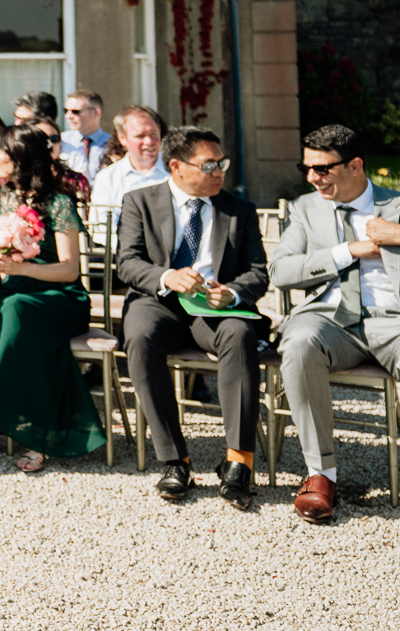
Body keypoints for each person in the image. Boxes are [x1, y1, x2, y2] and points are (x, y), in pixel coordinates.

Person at [116, 126, 269, 507]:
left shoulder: (240, 210)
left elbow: (257, 272)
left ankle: (238, 461)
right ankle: (174, 461)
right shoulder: (140, 201)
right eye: (210, 164)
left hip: (212, 305)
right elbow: (128, 263)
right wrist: (167, 276)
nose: (220, 171)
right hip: (160, 300)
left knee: (239, 334)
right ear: (176, 166)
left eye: (223, 163)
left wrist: (232, 292)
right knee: (139, 336)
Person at [0, 127, 104, 471]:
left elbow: (70, 269)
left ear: (23, 161)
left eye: (2, 154)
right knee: (18, 320)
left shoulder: (58, 202)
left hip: (59, 297)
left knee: (16, 308)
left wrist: (21, 269)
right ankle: (35, 437)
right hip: (16, 294)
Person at [269, 124, 400, 523]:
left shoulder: (396, 205)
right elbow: (281, 271)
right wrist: (347, 251)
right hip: (331, 321)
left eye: (323, 169)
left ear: (356, 165)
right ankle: (321, 475)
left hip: (393, 320)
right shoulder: (306, 208)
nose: (313, 178)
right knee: (299, 341)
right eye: (306, 168)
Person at [90, 105, 169, 246]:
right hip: (126, 257)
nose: (149, 142)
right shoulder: (107, 178)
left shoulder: (177, 171)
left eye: (154, 135)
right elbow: (101, 229)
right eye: (140, 136)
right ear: (122, 139)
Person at [60, 89, 110, 181]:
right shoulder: (61, 141)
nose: (68, 116)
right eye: (66, 111)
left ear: (96, 113)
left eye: (75, 111)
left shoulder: (111, 144)